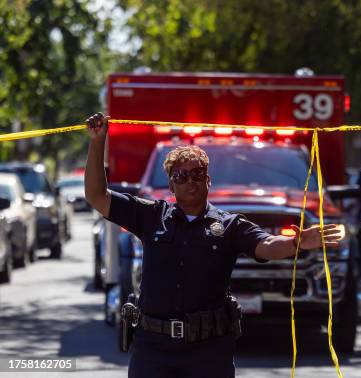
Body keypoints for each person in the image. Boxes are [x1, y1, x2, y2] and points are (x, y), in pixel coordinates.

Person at [84, 112, 343, 378]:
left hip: (208, 351)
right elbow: (96, 196)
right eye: (181, 176)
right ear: (171, 184)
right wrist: (97, 142)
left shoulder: (230, 225)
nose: (190, 181)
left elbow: (266, 244)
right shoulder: (150, 216)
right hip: (153, 347)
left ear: (208, 180)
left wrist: (295, 243)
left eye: (197, 174)